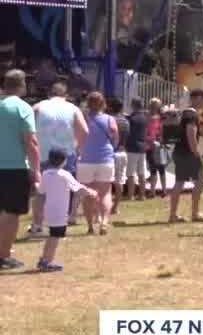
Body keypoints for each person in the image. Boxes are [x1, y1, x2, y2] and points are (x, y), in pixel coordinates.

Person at [29, 81, 87, 235]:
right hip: (65, 155)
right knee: (64, 189)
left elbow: (28, 130)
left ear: (49, 94)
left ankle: (37, 224)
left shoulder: (38, 107)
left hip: (43, 154)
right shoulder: (73, 108)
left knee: (41, 192)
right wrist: (77, 147)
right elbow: (85, 131)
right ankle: (61, 222)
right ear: (66, 95)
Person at [0, 69, 40, 270]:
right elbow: (31, 142)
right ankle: (4, 256)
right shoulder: (23, 108)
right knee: (11, 212)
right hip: (14, 167)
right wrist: (36, 169)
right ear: (22, 85)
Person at [34, 148, 98, 272]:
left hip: (49, 211)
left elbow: (40, 190)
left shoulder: (46, 174)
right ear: (63, 161)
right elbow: (78, 189)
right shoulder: (65, 174)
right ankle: (47, 262)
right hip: (60, 212)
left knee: (52, 235)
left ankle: (44, 259)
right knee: (55, 238)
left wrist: (36, 184)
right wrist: (91, 192)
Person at [79, 91, 118, 235]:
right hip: (105, 158)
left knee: (87, 193)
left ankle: (90, 226)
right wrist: (111, 147)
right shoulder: (109, 119)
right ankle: (104, 222)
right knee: (105, 193)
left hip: (86, 159)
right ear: (103, 104)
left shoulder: (83, 118)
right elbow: (115, 136)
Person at [168, 90, 203, 224]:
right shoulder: (192, 115)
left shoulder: (185, 113)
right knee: (200, 181)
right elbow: (191, 135)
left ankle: (173, 215)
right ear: (197, 98)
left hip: (179, 152)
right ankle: (195, 213)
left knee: (179, 183)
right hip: (188, 153)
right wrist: (197, 154)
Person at [107, 96, 129, 215]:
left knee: (108, 181)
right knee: (119, 181)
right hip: (122, 151)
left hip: (111, 152)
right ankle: (115, 207)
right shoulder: (125, 121)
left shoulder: (109, 120)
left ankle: (107, 204)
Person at [125, 98, 150, 200]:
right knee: (142, 172)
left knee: (131, 173)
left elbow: (128, 133)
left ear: (133, 105)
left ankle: (131, 195)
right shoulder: (145, 117)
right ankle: (142, 195)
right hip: (142, 147)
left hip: (132, 147)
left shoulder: (131, 119)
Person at [145, 98, 168, 199]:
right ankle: (163, 190)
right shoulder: (161, 118)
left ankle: (153, 191)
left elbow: (146, 133)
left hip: (151, 146)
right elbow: (162, 132)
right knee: (160, 169)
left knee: (154, 169)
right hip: (158, 145)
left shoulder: (148, 118)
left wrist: (151, 140)